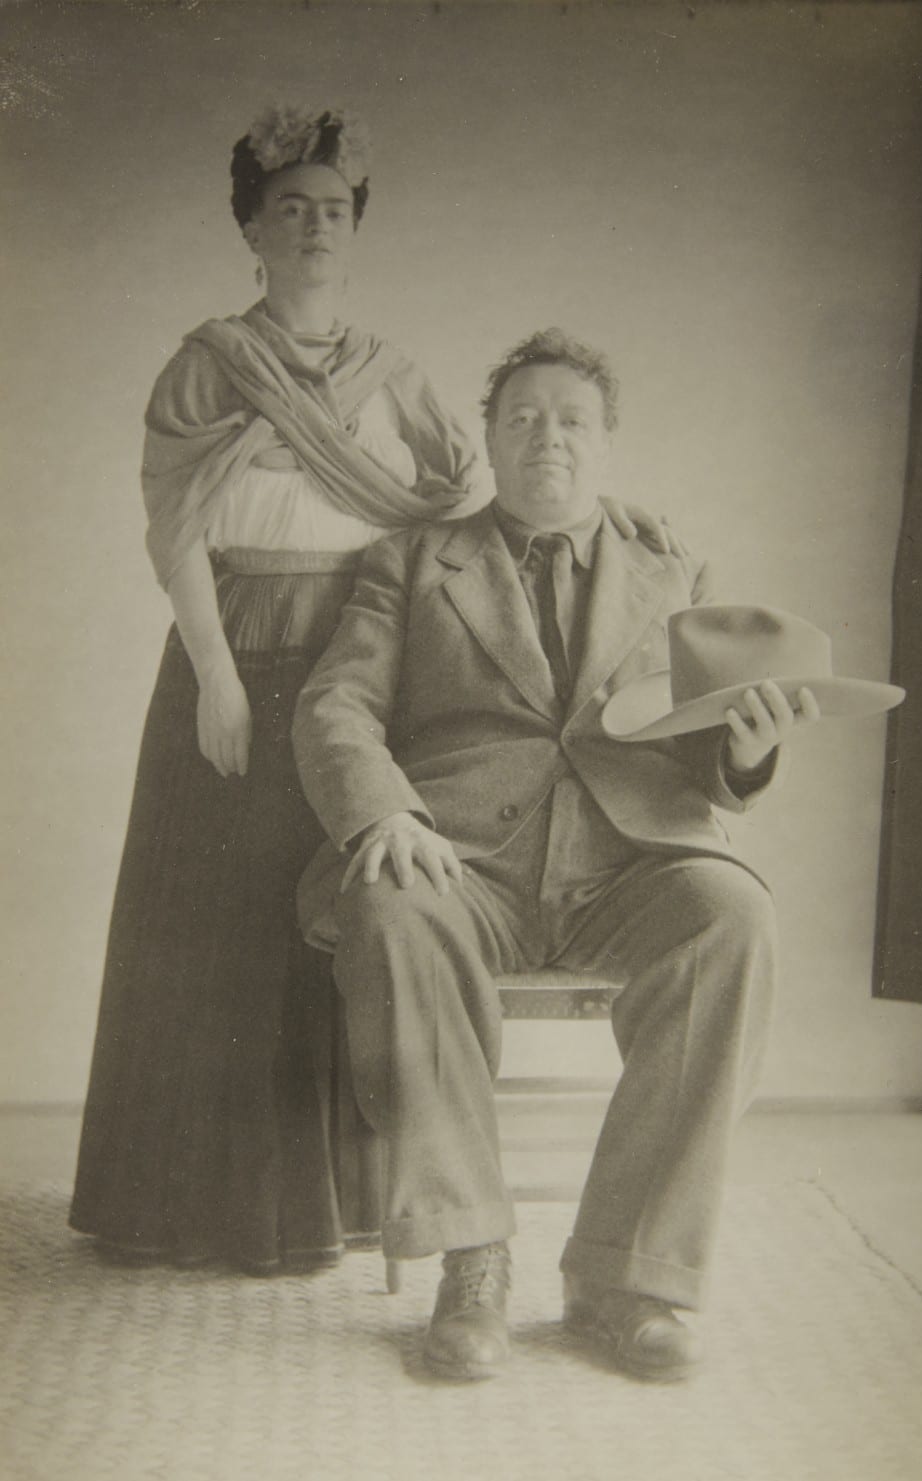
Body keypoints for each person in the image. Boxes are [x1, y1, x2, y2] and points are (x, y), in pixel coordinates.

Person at [70, 115, 676, 1275]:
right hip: (234, 647)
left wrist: (615, 518)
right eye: (289, 209)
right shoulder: (208, 362)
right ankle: (177, 1208)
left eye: (333, 210)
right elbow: (177, 527)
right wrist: (213, 674)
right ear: (252, 229)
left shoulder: (393, 376)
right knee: (212, 928)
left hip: (360, 655)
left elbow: (482, 502)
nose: (313, 228)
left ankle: (342, 1204)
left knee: (347, 907)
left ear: (355, 230)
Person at [290, 326, 836, 1380]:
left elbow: (702, 741)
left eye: (573, 419)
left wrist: (745, 754)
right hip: (460, 860)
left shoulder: (673, 566)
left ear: (606, 443)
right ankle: (473, 1257)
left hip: (627, 862)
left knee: (734, 914)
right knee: (391, 901)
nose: (549, 436)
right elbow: (335, 705)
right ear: (490, 440)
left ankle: (627, 1275)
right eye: (524, 417)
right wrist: (386, 813)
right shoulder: (409, 561)